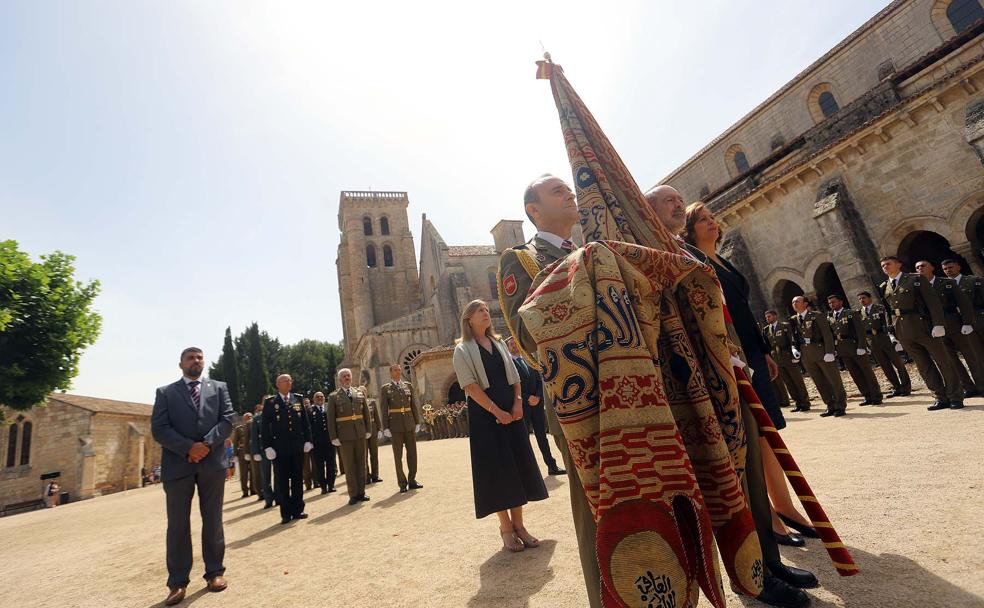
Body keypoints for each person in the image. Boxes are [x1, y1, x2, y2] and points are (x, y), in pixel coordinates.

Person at [683, 202, 823, 562]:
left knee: (769, 433)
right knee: (753, 435)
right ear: (689, 228)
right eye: (702, 220)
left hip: (752, 353)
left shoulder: (723, 259)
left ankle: (786, 507)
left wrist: (764, 352)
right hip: (732, 358)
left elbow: (744, 311)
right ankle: (771, 517)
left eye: (712, 217)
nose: (712, 222)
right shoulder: (694, 261)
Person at [497, 174, 598, 601]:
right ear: (533, 212)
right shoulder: (522, 260)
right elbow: (527, 331)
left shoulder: (592, 249)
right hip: (577, 392)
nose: (569, 194)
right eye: (558, 191)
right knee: (597, 509)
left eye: (568, 189)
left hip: (632, 385)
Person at [453, 299, 547, 553]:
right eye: (480, 310)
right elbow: (470, 386)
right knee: (497, 472)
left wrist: (517, 406)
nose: (486, 313)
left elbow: (515, 378)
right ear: (469, 319)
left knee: (518, 466)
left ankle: (520, 526)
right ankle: (506, 528)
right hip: (486, 417)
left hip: (512, 413)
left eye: (486, 309)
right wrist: (497, 411)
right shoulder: (462, 350)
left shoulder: (499, 344)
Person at [151, 347, 234, 605]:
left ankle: (215, 572)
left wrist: (205, 445)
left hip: (212, 464)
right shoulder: (165, 393)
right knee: (177, 525)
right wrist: (189, 447)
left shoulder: (219, 387)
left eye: (199, 357)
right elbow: (159, 429)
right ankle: (177, 582)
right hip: (178, 466)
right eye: (190, 357)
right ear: (181, 364)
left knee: (213, 519)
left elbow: (228, 419)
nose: (196, 361)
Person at [880, 255, 961, 410]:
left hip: (924, 327)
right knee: (924, 366)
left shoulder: (915, 279)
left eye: (888, 264)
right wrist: (891, 331)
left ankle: (955, 396)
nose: (885, 267)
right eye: (882, 265)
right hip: (904, 332)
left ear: (899, 264)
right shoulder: (885, 286)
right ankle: (940, 396)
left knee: (944, 362)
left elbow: (933, 302)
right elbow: (888, 310)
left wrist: (938, 324)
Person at [916, 259, 984, 400]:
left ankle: (981, 385)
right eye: (917, 267)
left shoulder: (947, 283)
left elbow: (963, 304)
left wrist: (967, 322)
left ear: (932, 267)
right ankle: (968, 387)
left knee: (971, 356)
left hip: (954, 323)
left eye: (923, 266)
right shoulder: (918, 287)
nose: (920, 269)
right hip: (936, 327)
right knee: (951, 359)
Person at [505, 336, 565, 476]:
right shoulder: (508, 365)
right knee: (524, 438)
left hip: (537, 405)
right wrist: (527, 398)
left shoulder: (529, 360)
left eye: (516, 343)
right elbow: (511, 386)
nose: (514, 346)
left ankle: (552, 466)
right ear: (507, 348)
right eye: (511, 344)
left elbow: (540, 380)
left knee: (542, 436)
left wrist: (538, 396)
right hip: (522, 405)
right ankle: (529, 471)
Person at [261, 374, 313, 524]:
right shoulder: (271, 402)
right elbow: (265, 427)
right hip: (279, 449)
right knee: (282, 481)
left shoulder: (297, 398)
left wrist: (308, 440)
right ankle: (286, 512)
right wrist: (267, 446)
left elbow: (305, 422)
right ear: (278, 384)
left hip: (297, 446)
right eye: (286, 381)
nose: (289, 383)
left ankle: (298, 509)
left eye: (290, 380)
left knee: (297, 479)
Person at [790, 295, 848, 417]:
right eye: (793, 302)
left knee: (833, 380)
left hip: (820, 351)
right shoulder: (794, 319)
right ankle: (830, 405)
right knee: (819, 381)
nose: (794, 303)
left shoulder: (816, 316)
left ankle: (840, 405)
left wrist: (830, 351)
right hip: (806, 354)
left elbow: (827, 334)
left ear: (805, 304)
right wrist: (795, 348)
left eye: (797, 301)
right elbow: (795, 337)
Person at [826, 294, 883, 406]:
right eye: (830, 303)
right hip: (843, 349)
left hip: (854, 346)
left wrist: (862, 346)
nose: (832, 304)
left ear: (840, 302)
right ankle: (867, 395)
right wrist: (834, 348)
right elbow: (832, 334)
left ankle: (876, 395)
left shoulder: (850, 314)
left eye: (834, 302)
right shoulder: (830, 317)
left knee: (866, 372)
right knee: (855, 374)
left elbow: (860, 331)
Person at [327, 369, 372, 505]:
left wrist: (368, 429)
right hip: (345, 435)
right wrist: (333, 436)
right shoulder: (334, 396)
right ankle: (353, 493)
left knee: (361, 464)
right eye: (344, 376)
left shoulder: (358, 392)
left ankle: (361, 492)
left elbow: (366, 412)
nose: (347, 378)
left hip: (359, 433)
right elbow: (331, 418)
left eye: (348, 376)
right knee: (349, 465)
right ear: (340, 380)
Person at [379, 363, 424, 493]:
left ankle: (412, 480)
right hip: (395, 426)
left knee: (412, 454)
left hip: (409, 423)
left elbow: (413, 405)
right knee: (398, 456)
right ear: (390, 373)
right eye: (396, 370)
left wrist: (417, 422)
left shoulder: (408, 385)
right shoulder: (386, 389)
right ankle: (402, 483)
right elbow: (383, 409)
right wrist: (385, 427)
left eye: (399, 370)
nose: (398, 372)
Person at [857, 291, 911, 398]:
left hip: (885, 338)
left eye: (864, 298)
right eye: (859, 299)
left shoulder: (880, 308)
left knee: (898, 364)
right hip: (872, 341)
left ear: (870, 298)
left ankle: (905, 387)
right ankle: (896, 387)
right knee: (885, 367)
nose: (862, 300)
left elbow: (888, 322)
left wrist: (893, 337)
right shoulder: (859, 313)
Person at [762, 309, 812, 411]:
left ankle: (805, 402)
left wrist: (794, 355)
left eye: (769, 316)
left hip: (787, 356)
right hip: (777, 359)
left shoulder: (785, 326)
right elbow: (767, 345)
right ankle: (798, 403)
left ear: (775, 316)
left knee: (797, 380)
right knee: (788, 382)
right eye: (766, 317)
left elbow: (792, 340)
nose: (767, 319)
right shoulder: (766, 330)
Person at [942, 258, 984, 336]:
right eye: (945, 269)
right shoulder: (942, 287)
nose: (948, 270)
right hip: (959, 325)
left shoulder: (973, 281)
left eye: (950, 267)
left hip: (979, 319)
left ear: (958, 267)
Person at [308, 392, 337, 494]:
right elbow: (308, 427)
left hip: (329, 441)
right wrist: (309, 441)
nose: (320, 398)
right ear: (314, 399)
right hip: (317, 443)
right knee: (319, 466)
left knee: (331, 464)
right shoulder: (310, 410)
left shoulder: (329, 408)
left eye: (321, 397)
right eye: (317, 397)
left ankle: (331, 485)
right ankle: (323, 487)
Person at [249, 402, 274, 508]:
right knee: (265, 475)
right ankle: (268, 499)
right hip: (263, 450)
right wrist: (255, 452)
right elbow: (254, 436)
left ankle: (279, 497)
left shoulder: (275, 414)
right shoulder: (257, 418)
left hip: (277, 448)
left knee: (279, 475)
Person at [232, 413, 255, 497]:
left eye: (250, 417)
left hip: (252, 451)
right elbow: (235, 442)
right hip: (242, 452)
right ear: (244, 419)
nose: (249, 418)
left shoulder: (254, 426)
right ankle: (245, 491)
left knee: (253, 472)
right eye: (247, 417)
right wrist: (235, 454)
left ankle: (253, 489)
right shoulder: (239, 428)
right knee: (244, 473)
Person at [365, 392, 383, 484]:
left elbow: (376, 416)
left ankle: (375, 475)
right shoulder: (356, 402)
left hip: (373, 429)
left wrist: (380, 429)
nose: (363, 392)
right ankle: (366, 476)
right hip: (362, 430)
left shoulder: (371, 402)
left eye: (364, 391)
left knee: (374, 453)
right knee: (364, 456)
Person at [302, 397, 314, 491]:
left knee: (315, 463)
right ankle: (308, 484)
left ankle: (316, 481)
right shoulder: (300, 413)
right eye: (305, 403)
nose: (306, 405)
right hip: (303, 442)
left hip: (313, 441)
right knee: (305, 465)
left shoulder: (312, 412)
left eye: (307, 403)